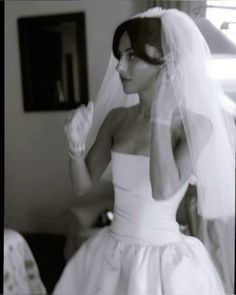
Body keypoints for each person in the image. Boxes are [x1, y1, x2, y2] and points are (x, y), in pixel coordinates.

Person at [53, 7, 235, 295]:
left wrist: (160, 117)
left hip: (165, 264)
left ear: (166, 62)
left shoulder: (196, 126)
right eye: (120, 56)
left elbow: (163, 190)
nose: (119, 67)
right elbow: (82, 185)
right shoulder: (117, 119)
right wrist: (75, 145)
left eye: (132, 56)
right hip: (110, 255)